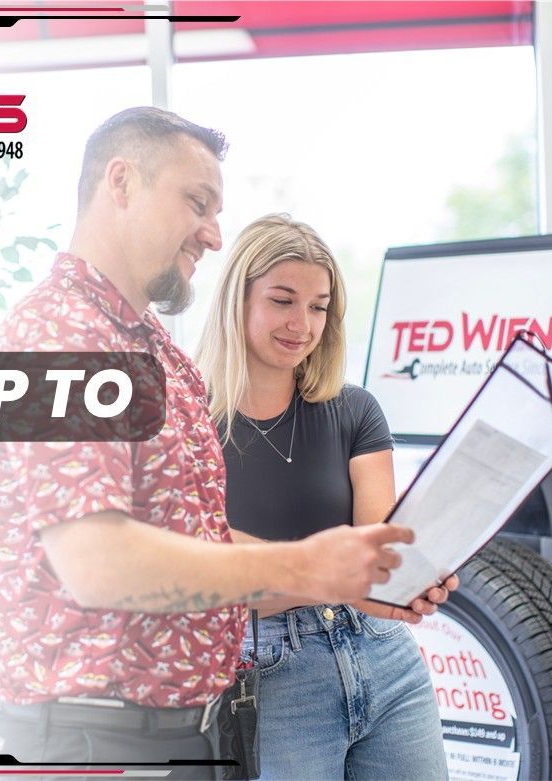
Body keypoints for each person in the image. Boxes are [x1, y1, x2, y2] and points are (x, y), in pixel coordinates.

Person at [0, 109, 416, 776]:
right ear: (120, 183)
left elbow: (200, 534)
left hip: (187, 736)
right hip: (92, 745)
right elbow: (98, 563)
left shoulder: (158, 356)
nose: (213, 234)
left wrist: (345, 569)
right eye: (197, 202)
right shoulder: (60, 336)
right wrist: (302, 568)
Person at [195, 214, 456, 780]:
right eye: (283, 301)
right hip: (268, 671)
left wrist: (416, 574)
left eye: (318, 306)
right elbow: (210, 572)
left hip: (383, 655)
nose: (302, 324)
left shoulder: (355, 410)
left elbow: (377, 547)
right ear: (235, 300)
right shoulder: (191, 423)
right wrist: (337, 577)